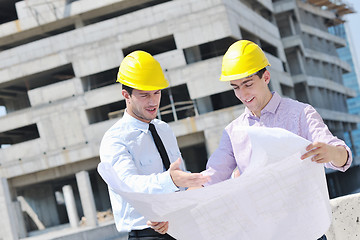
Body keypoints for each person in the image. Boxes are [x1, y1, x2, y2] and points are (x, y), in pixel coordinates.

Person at [152, 40, 352, 240]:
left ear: (266, 77)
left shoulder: (301, 113)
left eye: (248, 84)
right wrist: (173, 210)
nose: (243, 94)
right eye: (236, 87)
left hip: (307, 232)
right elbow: (210, 179)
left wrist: (331, 153)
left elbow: (342, 156)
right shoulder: (233, 132)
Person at [99, 50, 210, 240]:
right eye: (144, 95)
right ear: (126, 94)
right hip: (147, 234)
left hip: (183, 225)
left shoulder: (164, 129)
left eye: (157, 93)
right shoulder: (115, 140)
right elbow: (129, 185)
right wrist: (170, 180)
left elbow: (180, 180)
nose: (153, 102)